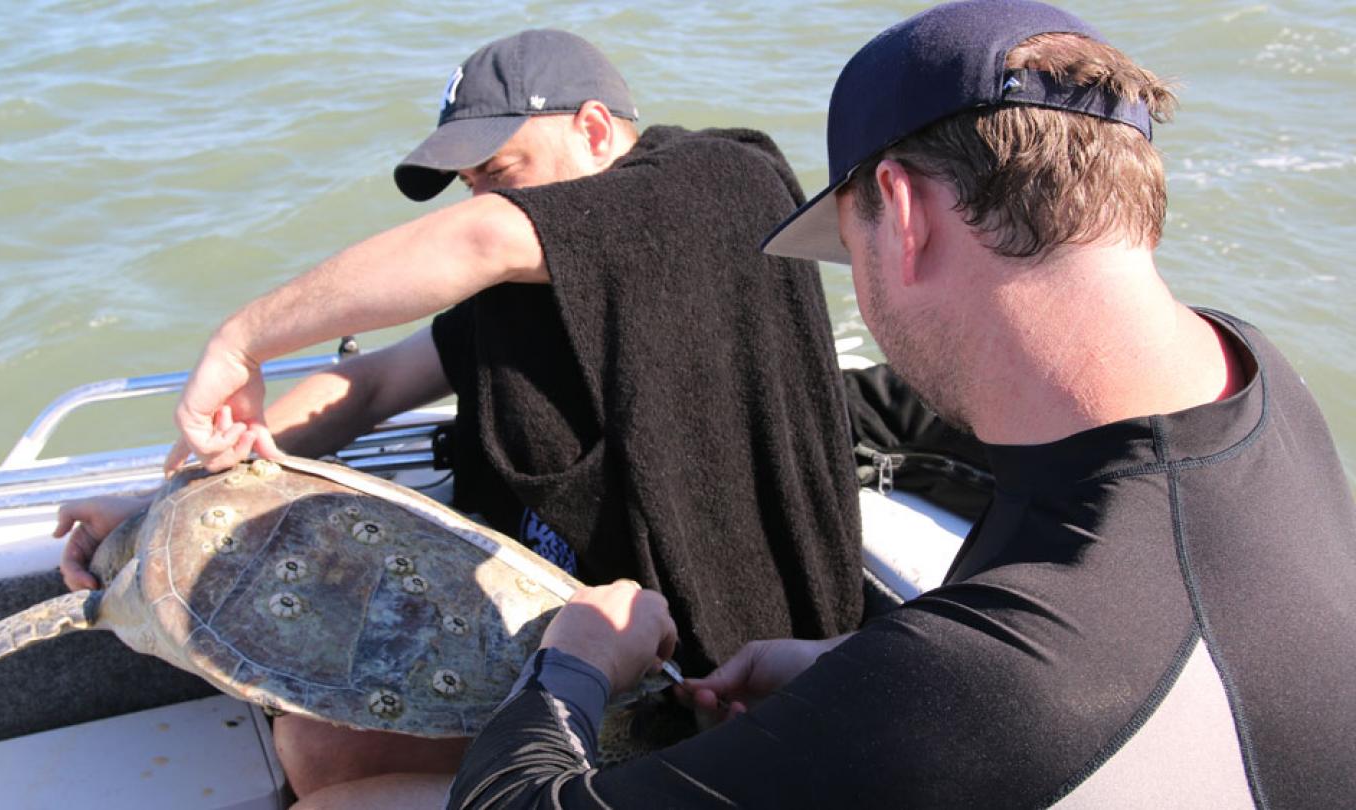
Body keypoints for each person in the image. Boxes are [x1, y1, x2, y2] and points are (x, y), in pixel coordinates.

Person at [443, 2, 1356, 807]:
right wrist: (847, 672)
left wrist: (576, 663)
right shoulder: (1249, 372)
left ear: (903, 210)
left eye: (848, 249)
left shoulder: (996, 681)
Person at [57, 28, 865, 803]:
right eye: (471, 183)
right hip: (568, 650)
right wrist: (164, 502)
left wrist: (241, 341)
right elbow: (366, 388)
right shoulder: (517, 291)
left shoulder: (716, 178)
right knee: (313, 744)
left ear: (591, 129)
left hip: (719, 679)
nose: (482, 196)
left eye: (498, 169)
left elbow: (478, 241)